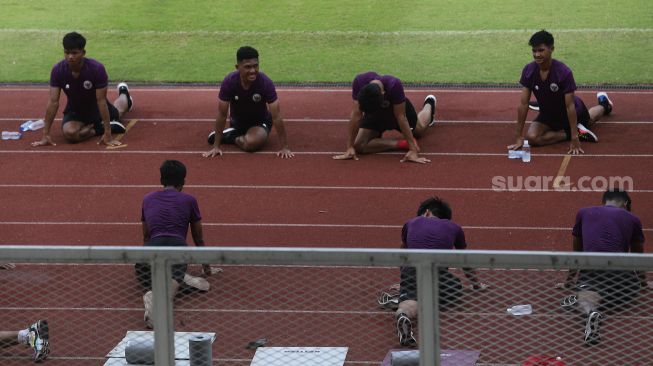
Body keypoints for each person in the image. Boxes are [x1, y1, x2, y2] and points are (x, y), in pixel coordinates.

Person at [395, 197, 486, 346]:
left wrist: (403, 281)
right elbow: (465, 261)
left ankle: (404, 311)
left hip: (413, 269)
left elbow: (402, 254)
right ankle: (420, 297)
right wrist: (476, 285)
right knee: (455, 287)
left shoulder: (411, 223)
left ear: (426, 212)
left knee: (409, 303)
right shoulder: (454, 227)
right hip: (439, 275)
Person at [508, 30, 613, 155]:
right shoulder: (529, 70)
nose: (537, 55)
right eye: (534, 51)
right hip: (548, 114)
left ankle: (604, 105)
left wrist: (574, 139)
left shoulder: (563, 72)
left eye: (541, 50)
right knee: (532, 138)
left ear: (552, 49)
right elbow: (523, 104)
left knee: (589, 120)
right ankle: (573, 133)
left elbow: (570, 106)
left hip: (571, 110)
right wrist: (519, 136)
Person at [562, 189, 646, 345]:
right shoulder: (633, 219)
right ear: (626, 203)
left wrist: (569, 281)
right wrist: (643, 283)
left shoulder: (584, 212)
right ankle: (593, 296)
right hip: (620, 273)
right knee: (631, 291)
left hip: (592, 266)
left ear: (604, 201)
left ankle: (590, 309)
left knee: (588, 291)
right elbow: (637, 257)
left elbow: (577, 253)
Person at [135, 160, 212, 328]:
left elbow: (146, 236)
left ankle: (153, 291)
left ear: (161, 180)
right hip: (177, 251)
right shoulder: (189, 200)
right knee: (175, 287)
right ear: (183, 182)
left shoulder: (147, 199)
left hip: (147, 256)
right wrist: (207, 268)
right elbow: (198, 238)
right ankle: (158, 300)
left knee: (194, 284)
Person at [31, 32, 133, 148]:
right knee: (70, 134)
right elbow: (53, 102)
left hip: (96, 106)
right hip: (75, 110)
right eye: (67, 52)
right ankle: (98, 128)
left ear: (83, 53)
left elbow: (101, 101)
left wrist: (108, 134)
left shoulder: (97, 69)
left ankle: (124, 93)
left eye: (74, 53)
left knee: (118, 111)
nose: (70, 57)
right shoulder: (58, 70)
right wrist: (46, 134)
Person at [203, 46, 293, 158]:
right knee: (247, 141)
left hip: (260, 121)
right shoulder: (229, 82)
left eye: (256, 66)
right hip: (237, 123)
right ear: (237, 67)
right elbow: (222, 114)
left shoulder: (265, 83)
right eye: (247, 67)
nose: (253, 71)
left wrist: (285, 147)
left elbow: (276, 115)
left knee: (251, 144)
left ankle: (230, 136)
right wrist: (216, 147)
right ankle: (230, 134)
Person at [332, 71, 436, 164]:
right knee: (359, 146)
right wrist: (350, 147)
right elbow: (356, 115)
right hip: (374, 116)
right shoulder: (359, 82)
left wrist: (413, 150)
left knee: (419, 130)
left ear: (383, 94)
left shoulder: (394, 84)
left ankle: (429, 104)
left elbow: (401, 117)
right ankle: (401, 144)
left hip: (397, 111)